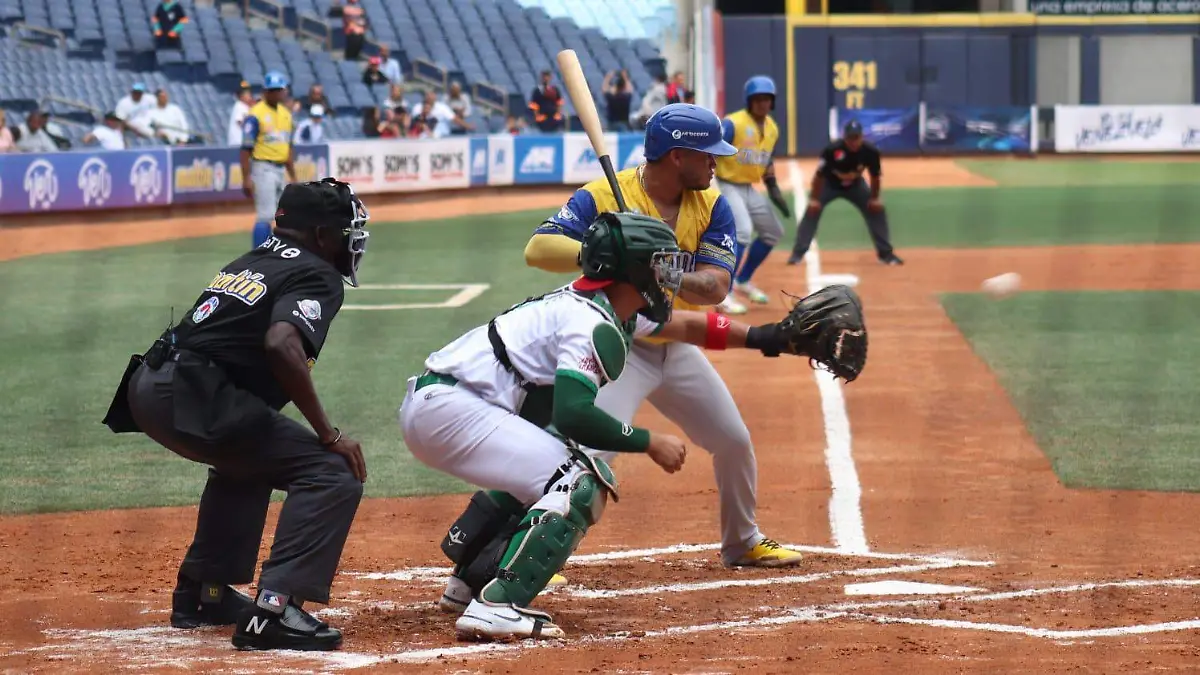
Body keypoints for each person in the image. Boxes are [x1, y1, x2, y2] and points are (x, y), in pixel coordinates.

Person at [518, 103, 808, 573]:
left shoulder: (713, 206)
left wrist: (657, 267)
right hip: (617, 351)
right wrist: (604, 254)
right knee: (590, 457)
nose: (716, 163)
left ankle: (742, 541)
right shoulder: (602, 197)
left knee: (734, 441)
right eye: (708, 154)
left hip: (675, 343)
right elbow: (538, 249)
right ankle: (527, 559)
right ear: (677, 156)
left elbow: (715, 288)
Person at [101, 178, 372, 652]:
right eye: (346, 229)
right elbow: (281, 344)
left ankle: (205, 594)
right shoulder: (317, 273)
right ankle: (274, 610)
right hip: (194, 394)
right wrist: (328, 434)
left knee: (249, 459)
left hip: (152, 385)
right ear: (322, 234)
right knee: (332, 472)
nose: (352, 239)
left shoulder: (256, 258)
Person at [712, 75, 791, 315]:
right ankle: (723, 294)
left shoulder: (772, 129)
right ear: (749, 100)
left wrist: (774, 188)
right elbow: (712, 147)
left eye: (767, 99)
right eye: (757, 99)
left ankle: (742, 280)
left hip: (748, 187)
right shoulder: (733, 123)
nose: (762, 103)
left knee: (773, 232)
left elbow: (766, 162)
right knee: (743, 231)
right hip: (725, 183)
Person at [788, 120, 903, 266]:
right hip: (830, 184)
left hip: (856, 185)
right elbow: (819, 176)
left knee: (876, 210)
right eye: (850, 138)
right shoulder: (832, 150)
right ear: (844, 137)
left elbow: (875, 176)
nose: (853, 142)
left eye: (856, 138)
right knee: (812, 211)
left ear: (862, 137)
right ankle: (798, 254)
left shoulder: (870, 152)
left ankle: (886, 254)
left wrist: (874, 198)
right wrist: (814, 199)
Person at [242, 71, 296, 249]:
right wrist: (246, 178)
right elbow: (245, 148)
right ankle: (258, 256)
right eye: (272, 90)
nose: (276, 93)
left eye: (279, 90)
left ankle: (280, 253)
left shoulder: (286, 114)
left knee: (285, 215)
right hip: (263, 167)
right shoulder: (255, 114)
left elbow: (288, 148)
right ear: (265, 92)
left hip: (280, 169)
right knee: (265, 215)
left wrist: (293, 176)